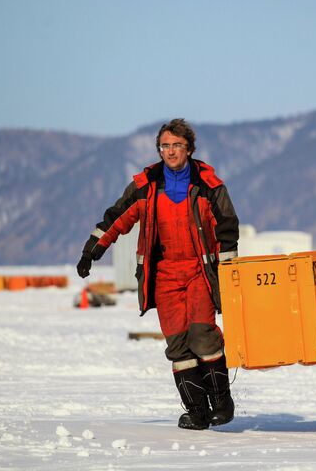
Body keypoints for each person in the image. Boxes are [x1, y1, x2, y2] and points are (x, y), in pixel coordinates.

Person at [76, 118, 239, 430]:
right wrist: (92, 249)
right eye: (165, 145)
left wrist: (229, 268)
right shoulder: (146, 186)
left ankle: (221, 402)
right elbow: (117, 217)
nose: (171, 151)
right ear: (159, 149)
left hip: (198, 272)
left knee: (202, 335)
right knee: (178, 343)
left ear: (189, 148)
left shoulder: (208, 185)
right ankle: (196, 410)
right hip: (163, 275)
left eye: (177, 145)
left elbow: (228, 226)